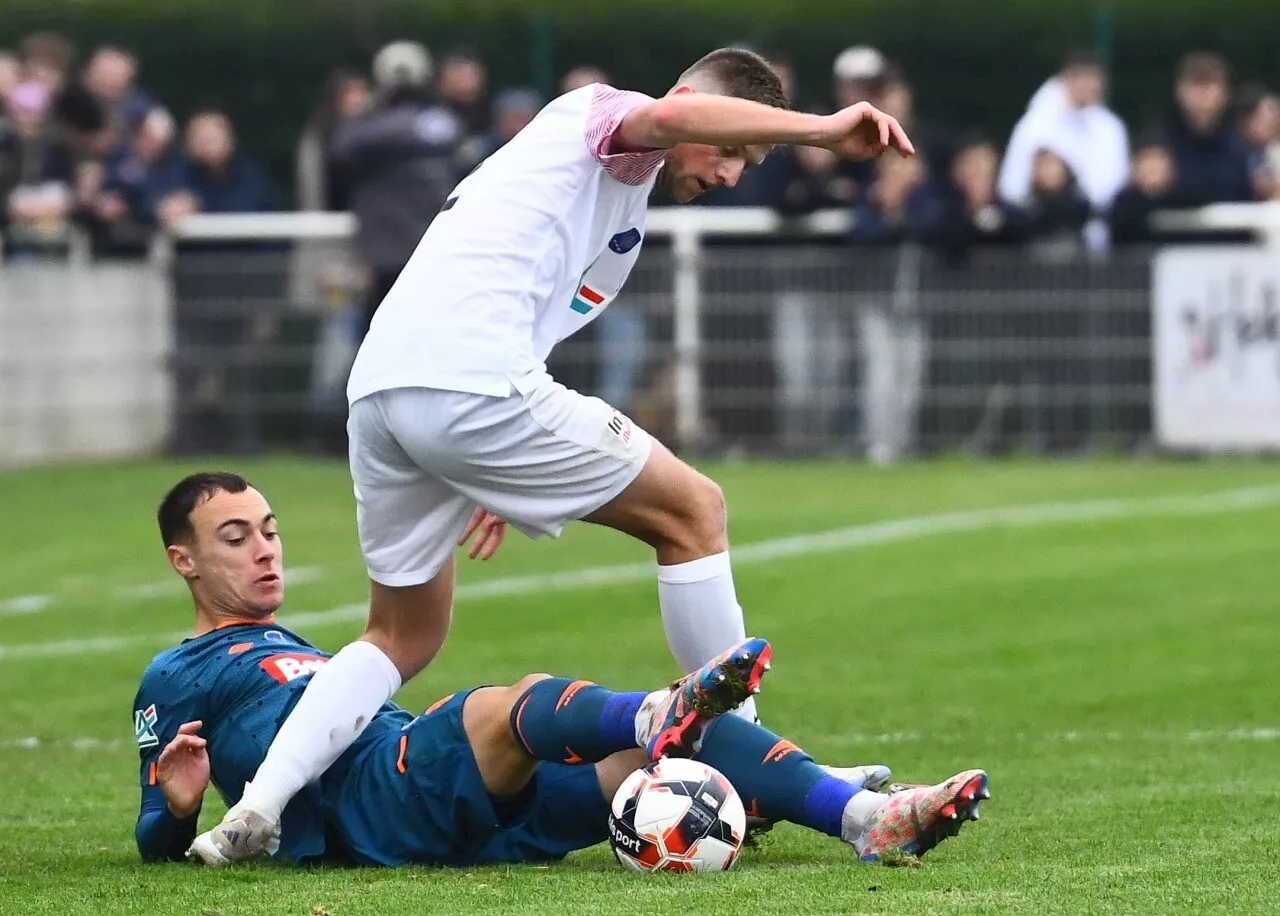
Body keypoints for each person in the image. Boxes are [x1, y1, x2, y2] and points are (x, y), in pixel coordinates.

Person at [190, 47, 915, 862]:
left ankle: (256, 811)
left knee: (400, 634)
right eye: (734, 152)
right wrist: (822, 129)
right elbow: (673, 118)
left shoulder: (619, 206)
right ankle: (760, 769)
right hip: (465, 386)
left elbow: (524, 319)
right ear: (690, 104)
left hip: (387, 390)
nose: (733, 175)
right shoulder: (608, 117)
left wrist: (487, 471)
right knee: (694, 512)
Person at [153, 473, 988, 866]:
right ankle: (655, 713)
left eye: (269, 530)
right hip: (373, 798)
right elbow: (154, 839)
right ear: (182, 560)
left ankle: (869, 817)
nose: (264, 550)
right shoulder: (178, 670)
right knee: (499, 705)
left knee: (682, 757)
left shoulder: (291, 641)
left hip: (460, 817)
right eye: (237, 539)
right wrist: (179, 811)